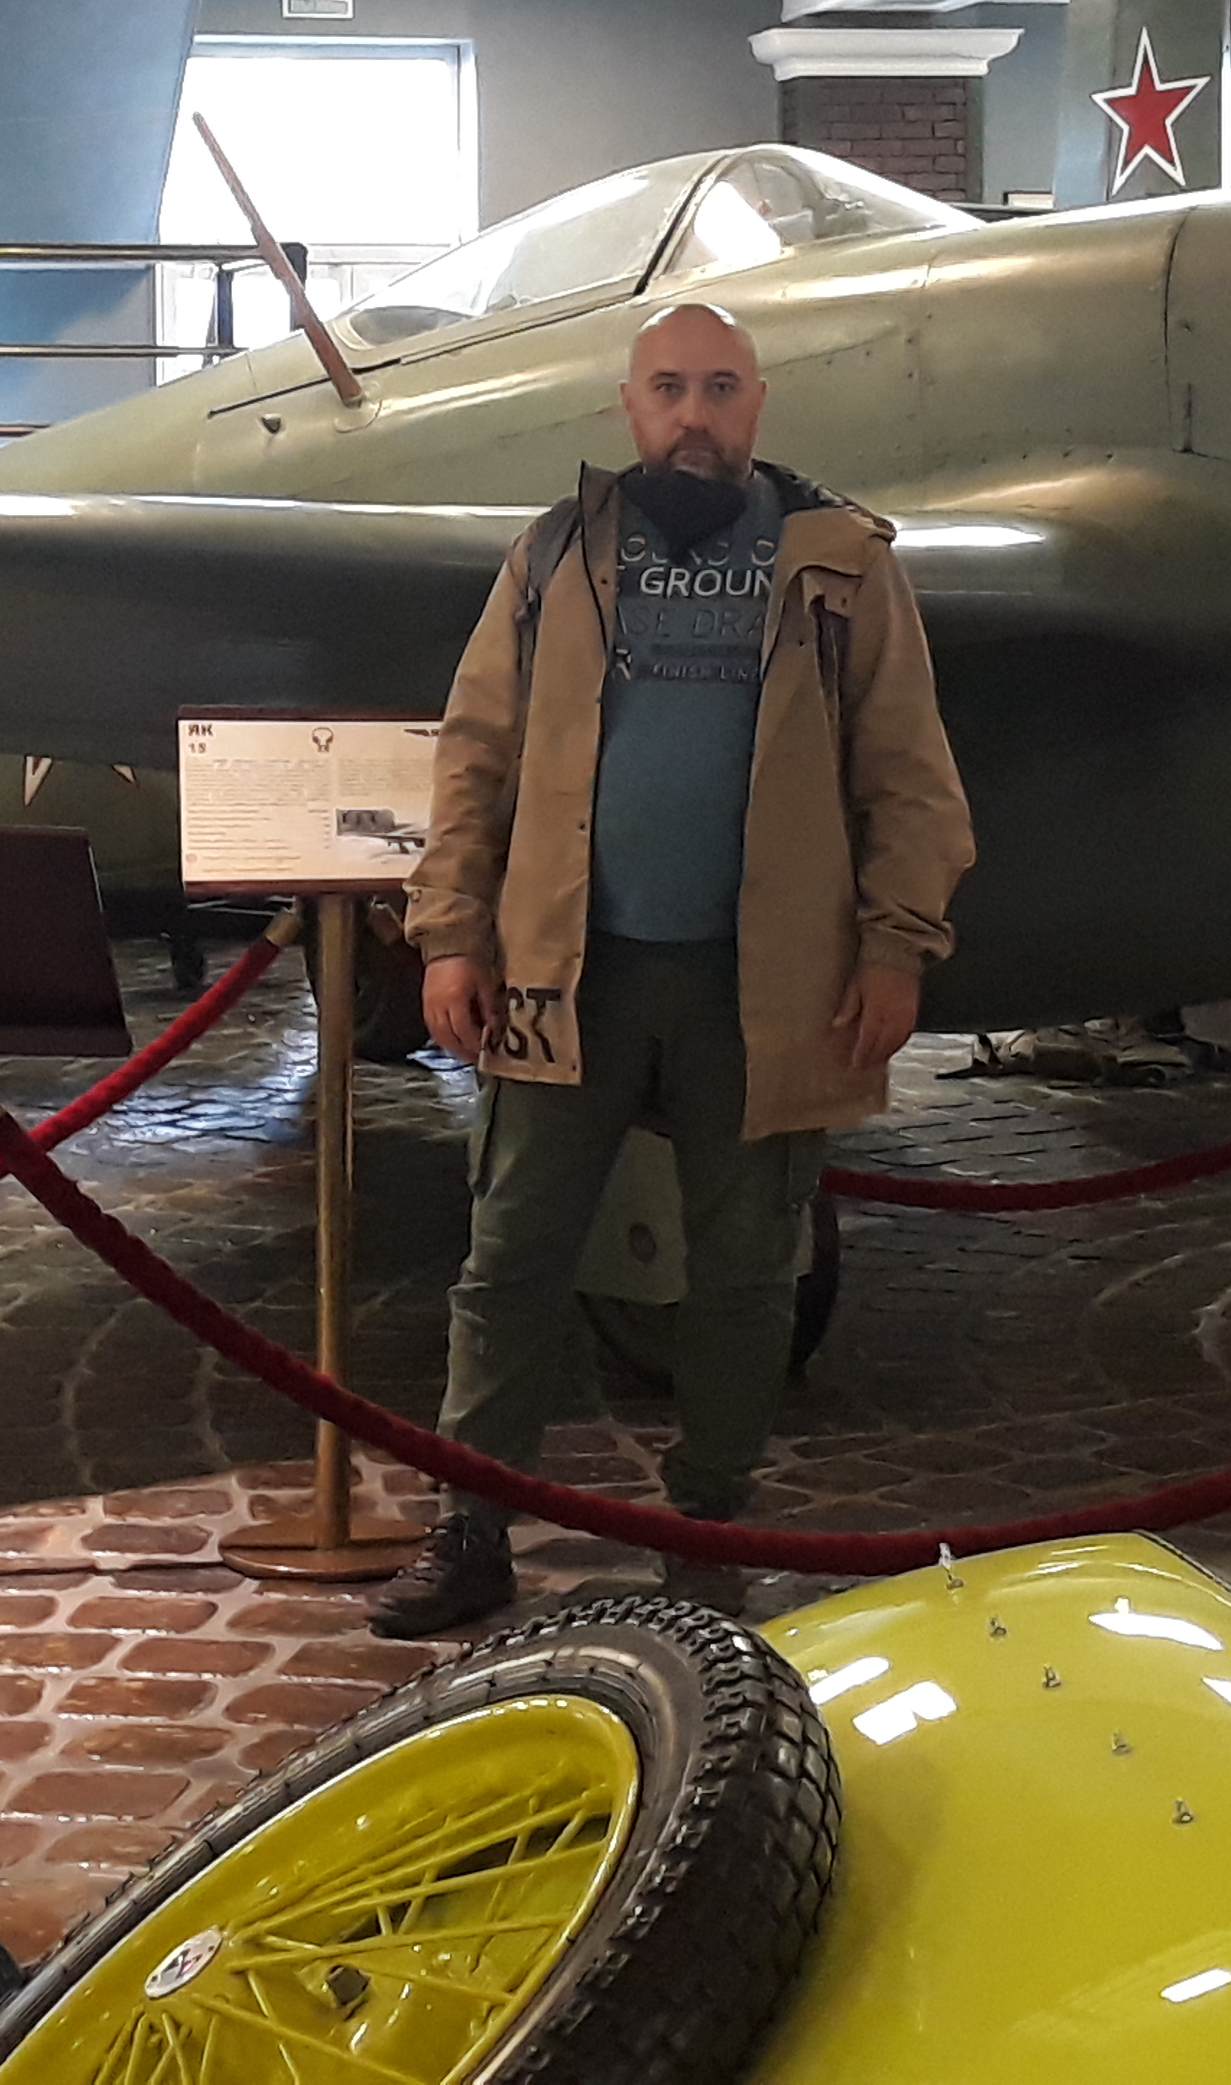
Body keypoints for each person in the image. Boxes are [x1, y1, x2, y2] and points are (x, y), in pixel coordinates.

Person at [374, 301, 974, 1636]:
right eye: (667, 389)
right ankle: (472, 1525)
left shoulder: (841, 565)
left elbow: (908, 771)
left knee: (748, 1269)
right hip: (566, 971)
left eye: (719, 388)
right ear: (628, 408)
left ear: (756, 402)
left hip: (761, 985)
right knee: (511, 1255)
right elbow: (477, 752)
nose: (693, 416)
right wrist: (453, 931)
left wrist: (896, 945)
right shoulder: (555, 556)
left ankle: (710, 1523)